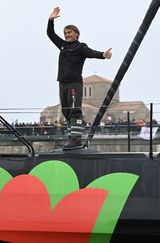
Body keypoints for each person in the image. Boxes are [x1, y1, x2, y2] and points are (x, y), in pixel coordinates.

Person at [47, 6, 112, 150]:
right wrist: (50, 20)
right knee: (66, 111)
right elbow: (50, 34)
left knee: (75, 110)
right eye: (65, 33)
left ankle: (76, 139)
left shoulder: (80, 47)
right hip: (62, 82)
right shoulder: (63, 45)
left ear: (76, 34)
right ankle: (71, 138)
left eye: (69, 32)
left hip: (74, 83)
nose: (66, 35)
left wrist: (103, 55)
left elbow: (90, 52)